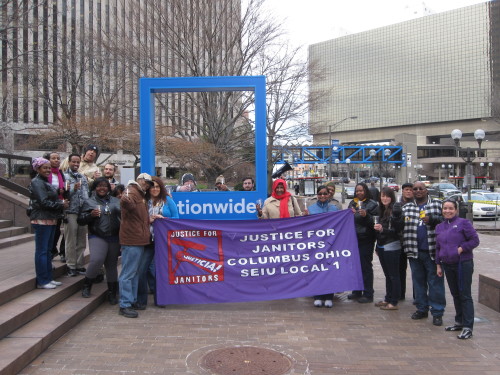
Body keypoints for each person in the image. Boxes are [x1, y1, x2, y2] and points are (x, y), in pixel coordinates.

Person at [435, 200, 480, 340]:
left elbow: (475, 240)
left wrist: (461, 249)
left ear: (456, 210)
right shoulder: (439, 227)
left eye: (450, 208)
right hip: (447, 264)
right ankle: (459, 321)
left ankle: (468, 327)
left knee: (464, 294)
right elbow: (438, 247)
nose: (447, 211)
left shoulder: (463, 223)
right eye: (445, 208)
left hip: (463, 264)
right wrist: (438, 264)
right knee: (455, 294)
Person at [403, 181, 445, 326]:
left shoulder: (438, 205)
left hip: (433, 252)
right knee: (418, 283)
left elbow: (446, 221)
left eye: (421, 188)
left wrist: (432, 220)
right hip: (414, 251)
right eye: (415, 189)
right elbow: (399, 225)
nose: (418, 191)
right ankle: (422, 309)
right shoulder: (407, 207)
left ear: (426, 190)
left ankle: (437, 312)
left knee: (435, 284)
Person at [137, 176, 179, 308]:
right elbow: (137, 219)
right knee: (142, 269)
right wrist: (148, 220)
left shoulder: (168, 200)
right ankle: (141, 300)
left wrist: (164, 219)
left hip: (163, 241)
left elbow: (176, 218)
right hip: (147, 239)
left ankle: (160, 298)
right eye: (152, 187)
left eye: (157, 187)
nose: (155, 189)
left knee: (161, 271)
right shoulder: (143, 201)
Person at [77, 177, 121, 303]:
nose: (102, 188)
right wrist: (90, 215)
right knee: (96, 260)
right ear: (95, 188)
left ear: (108, 188)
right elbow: (80, 220)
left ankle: (112, 293)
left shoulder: (115, 201)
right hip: (97, 235)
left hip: (114, 236)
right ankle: (87, 285)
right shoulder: (89, 202)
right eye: (99, 186)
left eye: (105, 186)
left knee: (111, 265)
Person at [28, 157, 68, 289]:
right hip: (41, 219)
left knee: (47, 251)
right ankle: (43, 280)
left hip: (50, 219)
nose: (48, 170)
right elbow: (43, 202)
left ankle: (48, 278)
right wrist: (61, 204)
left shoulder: (45, 182)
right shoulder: (37, 182)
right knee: (42, 251)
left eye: (49, 168)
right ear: (37, 169)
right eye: (45, 168)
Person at [118, 173, 153, 318]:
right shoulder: (132, 191)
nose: (148, 185)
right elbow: (125, 201)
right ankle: (125, 304)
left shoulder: (139, 194)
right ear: (141, 180)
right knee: (128, 273)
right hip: (132, 239)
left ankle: (129, 301)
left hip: (137, 239)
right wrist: (126, 199)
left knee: (133, 272)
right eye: (147, 182)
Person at [308, 185, 339, 308]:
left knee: (329, 271)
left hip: (330, 244)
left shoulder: (334, 208)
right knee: (316, 270)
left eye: (325, 194)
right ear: (317, 194)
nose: (322, 196)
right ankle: (318, 296)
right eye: (320, 193)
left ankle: (329, 296)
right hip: (316, 244)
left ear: (329, 195)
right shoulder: (311, 209)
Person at [347, 182, 379, 303]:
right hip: (354, 238)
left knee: (365, 266)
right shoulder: (352, 203)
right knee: (355, 265)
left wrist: (366, 216)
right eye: (357, 191)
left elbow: (375, 222)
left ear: (366, 191)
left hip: (366, 238)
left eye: (361, 190)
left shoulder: (372, 205)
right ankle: (356, 290)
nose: (359, 193)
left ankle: (368, 292)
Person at [374, 187, 404, 311]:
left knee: (394, 275)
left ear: (391, 197)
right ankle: (388, 297)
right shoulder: (381, 210)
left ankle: (394, 301)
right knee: (388, 275)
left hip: (392, 246)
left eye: (387, 196)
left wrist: (382, 229)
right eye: (382, 196)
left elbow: (397, 231)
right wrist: (377, 245)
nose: (384, 198)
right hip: (382, 245)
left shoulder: (395, 211)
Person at [63, 153, 90, 277]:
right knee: (71, 240)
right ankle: (71, 265)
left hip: (82, 212)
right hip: (71, 212)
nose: (76, 164)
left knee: (81, 240)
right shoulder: (64, 176)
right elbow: (63, 193)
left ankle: (79, 264)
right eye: (73, 162)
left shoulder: (82, 177)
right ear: (69, 162)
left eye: (78, 162)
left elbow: (86, 194)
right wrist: (73, 188)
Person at [43, 152, 66, 261]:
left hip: (59, 204)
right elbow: (46, 189)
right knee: (51, 229)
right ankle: (50, 250)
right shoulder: (45, 174)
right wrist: (57, 191)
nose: (56, 160)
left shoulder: (60, 173)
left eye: (58, 158)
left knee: (57, 229)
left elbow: (63, 186)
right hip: (49, 205)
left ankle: (53, 249)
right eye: (53, 158)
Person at [399, 182, 414, 300]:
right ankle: (400, 293)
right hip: (400, 242)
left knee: (416, 271)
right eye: (406, 190)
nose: (408, 191)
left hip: (414, 242)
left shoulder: (417, 205)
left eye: (410, 190)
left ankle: (417, 295)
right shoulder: (398, 205)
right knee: (400, 269)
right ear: (402, 191)